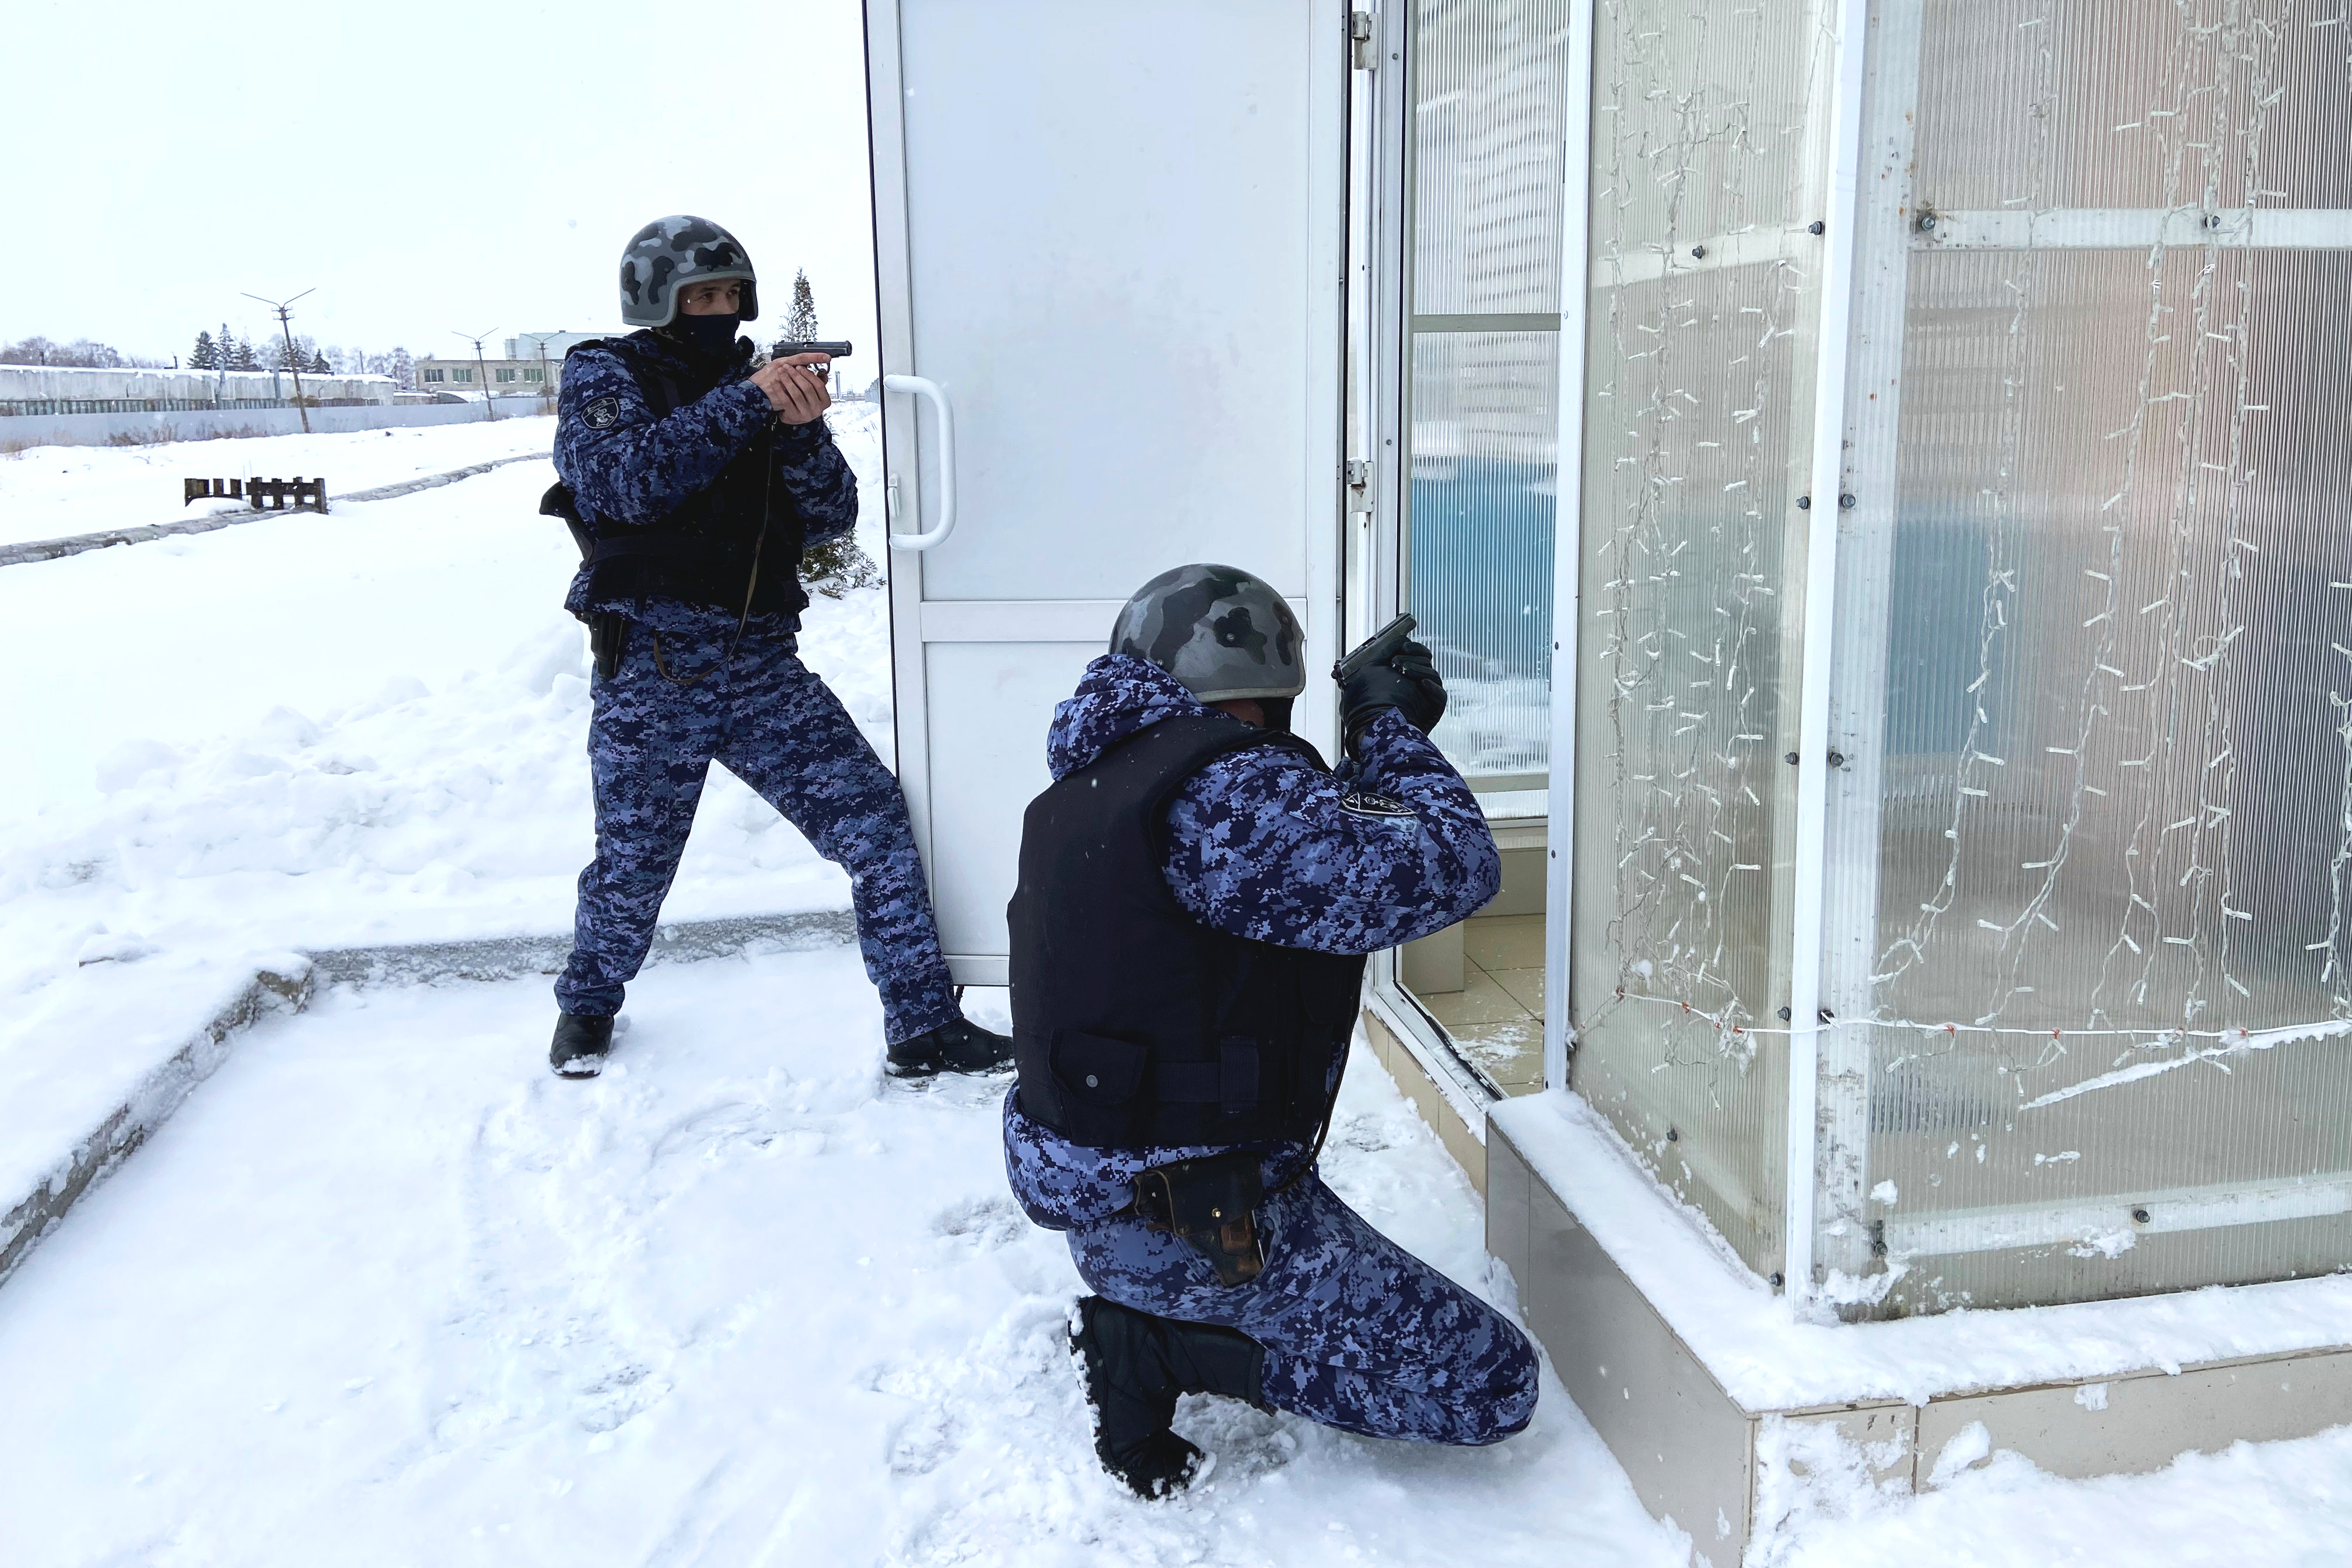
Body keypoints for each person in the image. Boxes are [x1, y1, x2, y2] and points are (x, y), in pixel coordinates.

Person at [1002, 564, 1539, 1497]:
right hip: (1200, 1226)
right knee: (1493, 1386)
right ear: (1262, 693)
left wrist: (1372, 756)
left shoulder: (1102, 782)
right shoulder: (1228, 802)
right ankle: (1164, 1349)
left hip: (1128, 1196)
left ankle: (1159, 1315)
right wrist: (1387, 726)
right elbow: (1455, 862)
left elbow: (1336, 826)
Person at [541, 214, 1010, 1082]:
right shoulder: (608, 371)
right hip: (655, 666)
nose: (718, 309)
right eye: (700, 295)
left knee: (875, 829)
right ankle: (588, 1006)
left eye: (729, 294)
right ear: (657, 299)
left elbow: (831, 517)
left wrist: (795, 428)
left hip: (760, 669)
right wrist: (748, 402)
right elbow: (623, 482)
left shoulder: (753, 386)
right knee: (635, 865)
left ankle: (920, 1027)